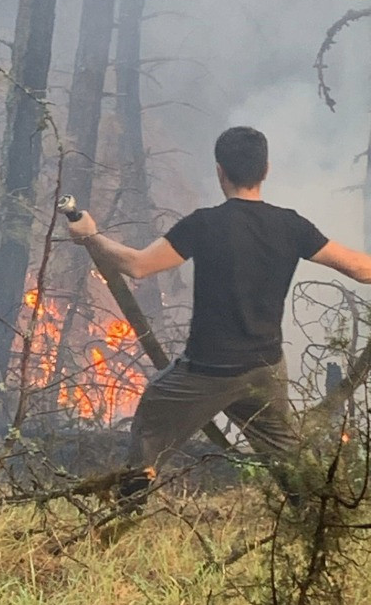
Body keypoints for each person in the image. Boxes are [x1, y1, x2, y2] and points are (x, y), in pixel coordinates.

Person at [65, 126, 371, 506]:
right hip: (265, 367)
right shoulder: (291, 225)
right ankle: (315, 516)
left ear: (220, 172)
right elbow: (361, 269)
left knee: (152, 414)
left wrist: (91, 236)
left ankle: (127, 508)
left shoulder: (204, 224)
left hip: (207, 371)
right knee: (288, 458)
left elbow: (138, 266)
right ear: (266, 170)